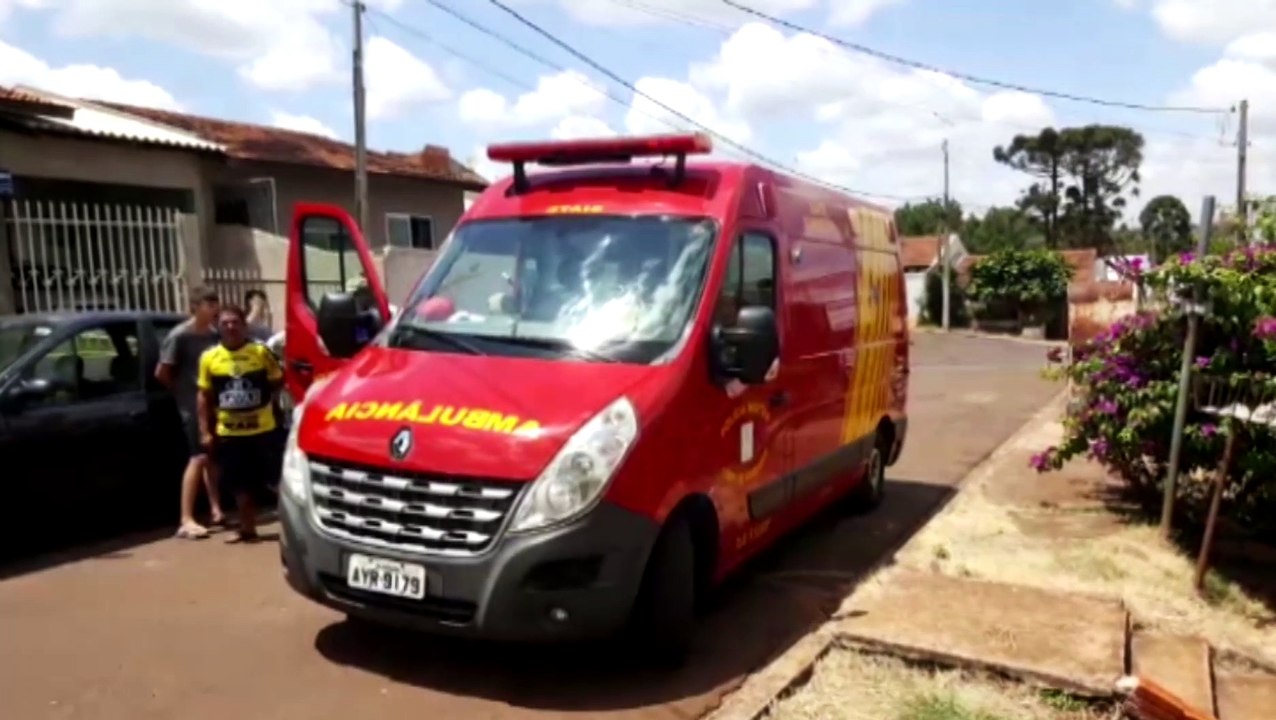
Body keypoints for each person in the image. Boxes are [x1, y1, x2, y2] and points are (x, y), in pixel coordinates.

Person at [196, 304, 283, 543]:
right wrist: (205, 431)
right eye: (225, 323)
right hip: (230, 433)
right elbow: (204, 396)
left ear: (244, 325)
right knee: (239, 485)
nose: (231, 327)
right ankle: (248, 529)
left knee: (276, 482)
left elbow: (277, 381)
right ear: (218, 327)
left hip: (263, 430)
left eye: (235, 322)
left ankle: (294, 530)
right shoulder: (209, 358)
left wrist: (270, 408)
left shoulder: (261, 352)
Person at [156, 286, 227, 540]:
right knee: (197, 456)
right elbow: (162, 373)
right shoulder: (179, 336)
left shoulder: (213, 335)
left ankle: (216, 508)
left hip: (212, 402)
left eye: (215, 304)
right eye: (209, 304)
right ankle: (186, 518)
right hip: (191, 404)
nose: (214, 309)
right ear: (195, 307)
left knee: (210, 455)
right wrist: (183, 392)